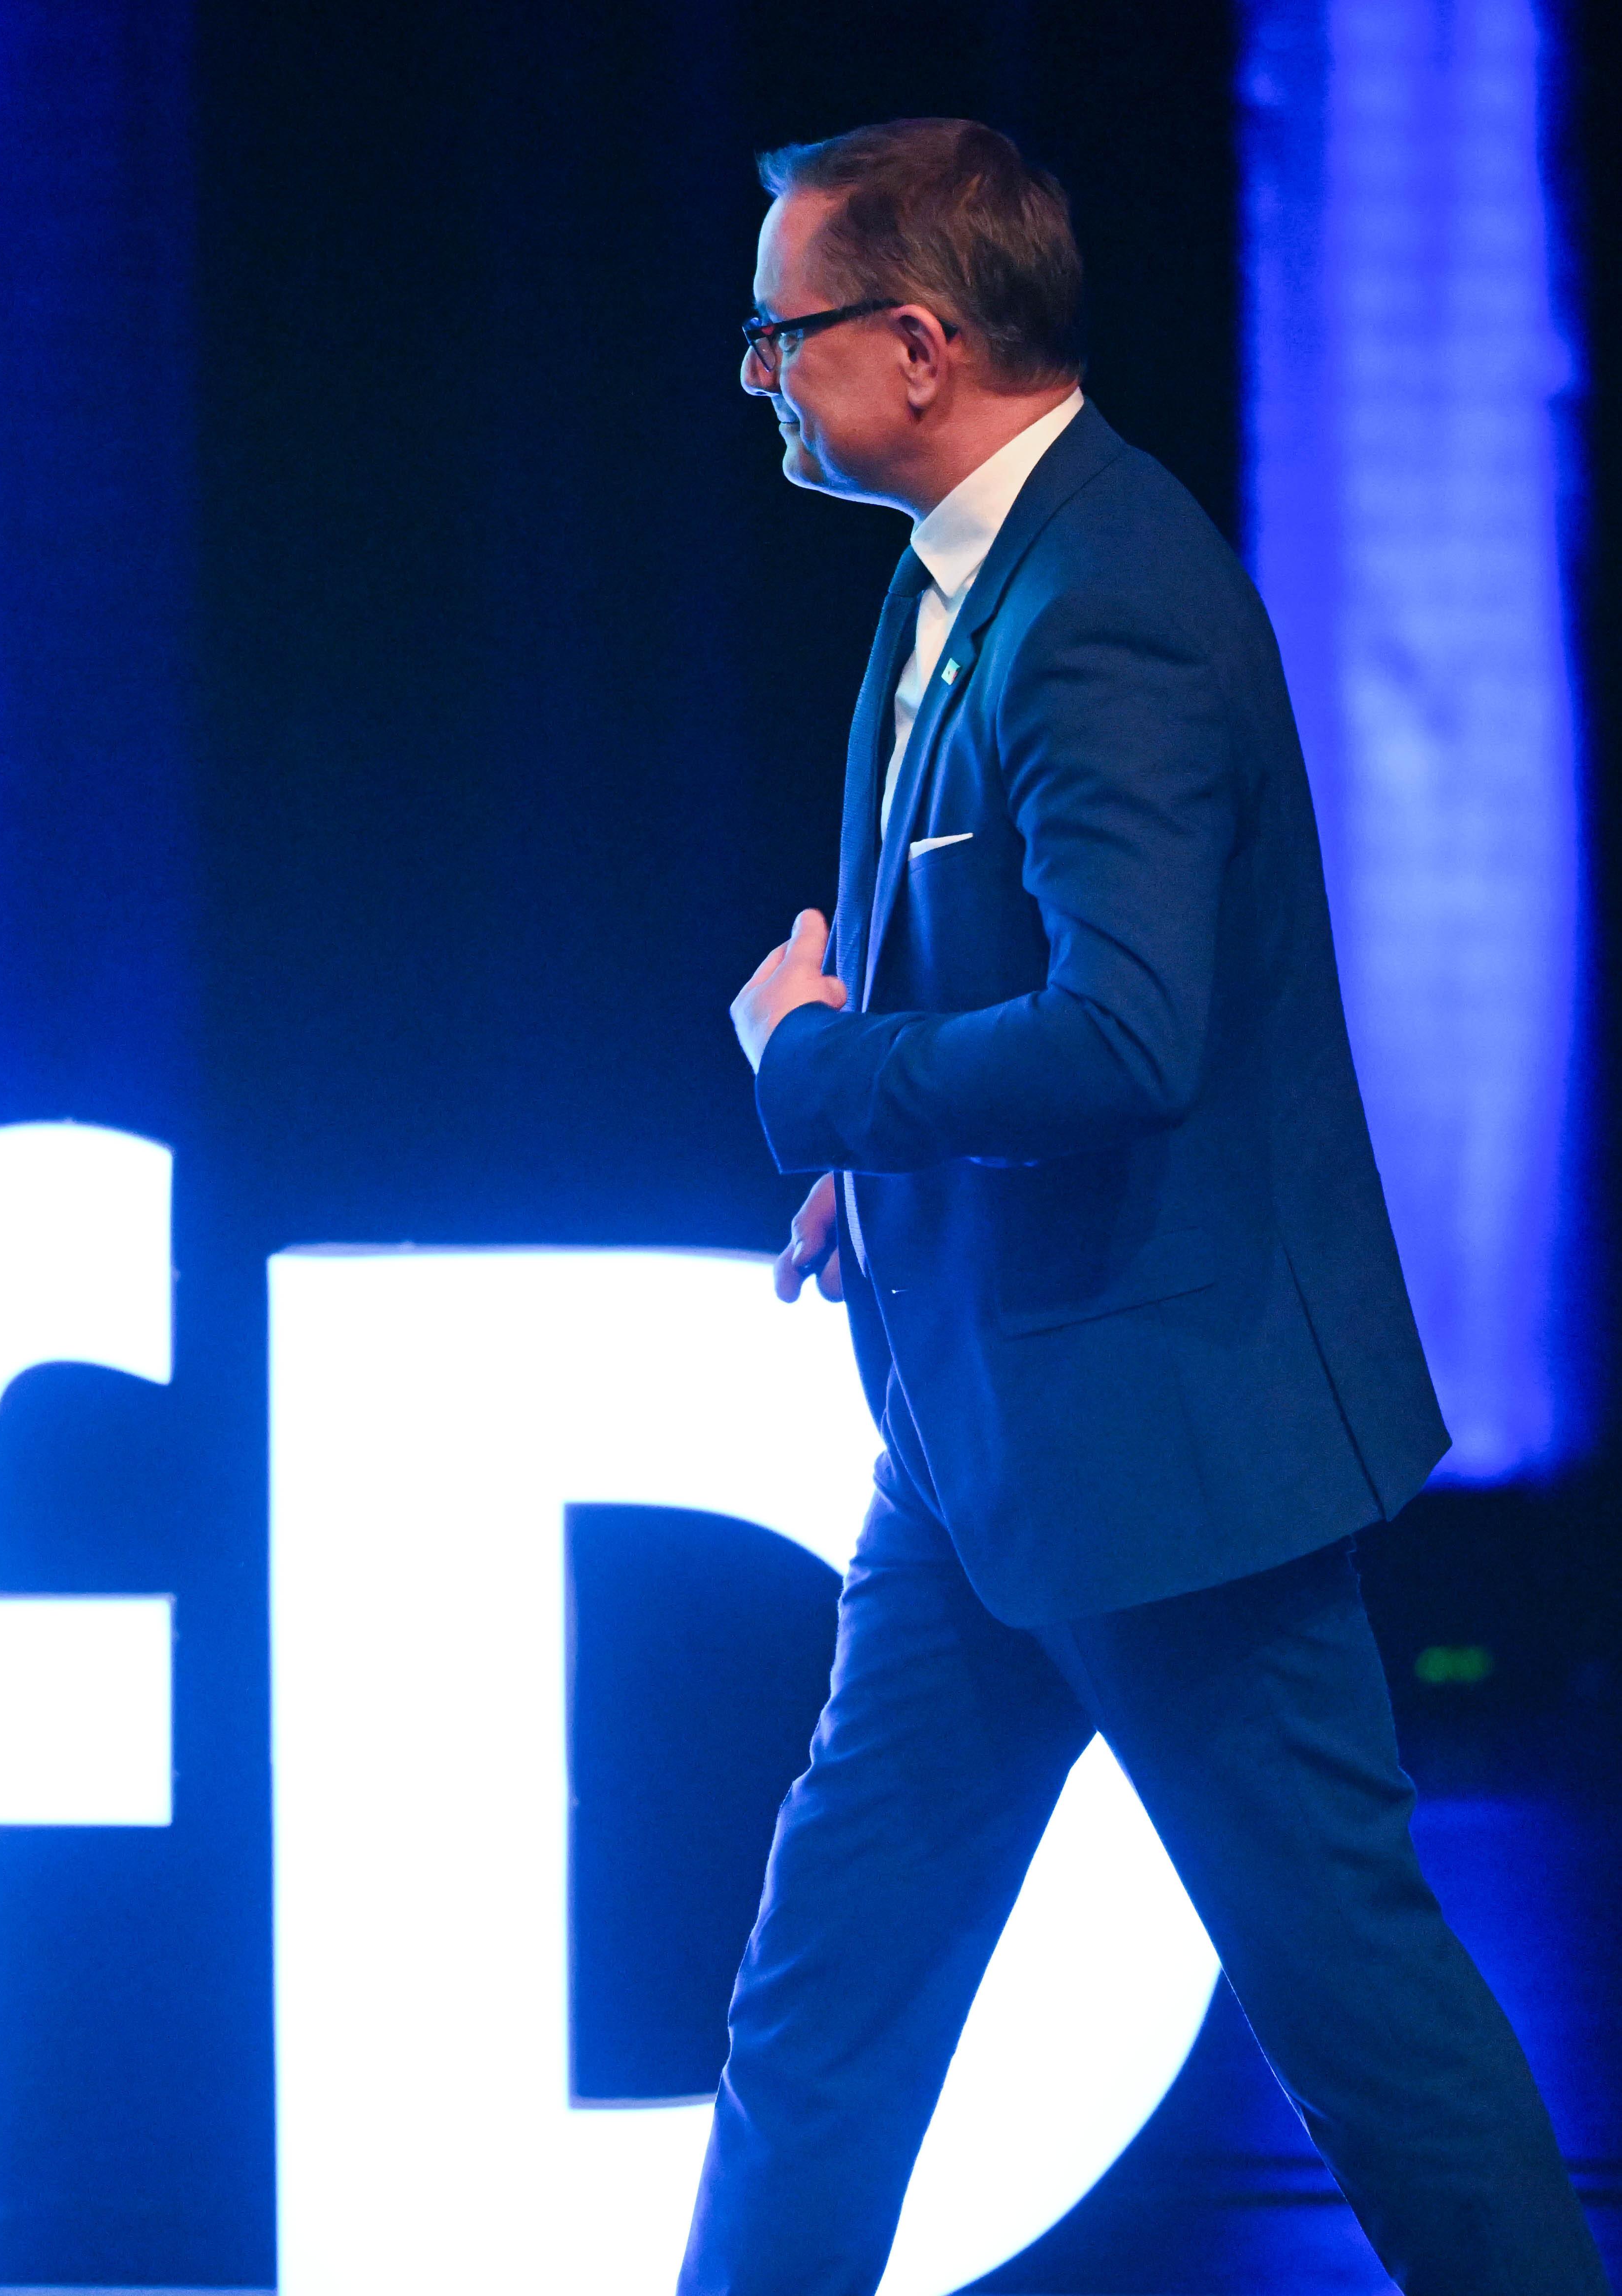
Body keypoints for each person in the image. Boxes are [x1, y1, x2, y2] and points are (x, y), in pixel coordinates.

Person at [687, 117, 1608, 2296]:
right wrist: (873, 1173)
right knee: (822, 2015)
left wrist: (813, 1070)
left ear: (917, 344)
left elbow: (1129, 1041)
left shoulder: (1110, 607)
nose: (755, 376)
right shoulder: (973, 574)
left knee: (1360, 2017)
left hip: (1166, 1459)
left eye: (778, 330)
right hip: (987, 1440)